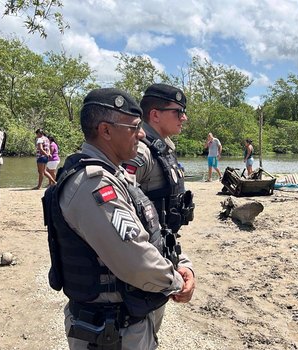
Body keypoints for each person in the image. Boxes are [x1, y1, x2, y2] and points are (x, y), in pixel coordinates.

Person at [42, 87, 195, 350]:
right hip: (110, 331)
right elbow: (135, 259)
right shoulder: (93, 184)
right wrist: (177, 283)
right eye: (134, 127)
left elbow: (153, 228)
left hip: (126, 321)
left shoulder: (114, 176)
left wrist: (182, 263)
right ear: (106, 131)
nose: (142, 133)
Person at [121, 83, 195, 334]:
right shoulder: (140, 151)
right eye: (178, 111)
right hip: (140, 260)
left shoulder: (163, 147)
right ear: (155, 115)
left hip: (160, 251)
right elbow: (120, 207)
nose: (184, 117)